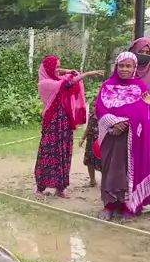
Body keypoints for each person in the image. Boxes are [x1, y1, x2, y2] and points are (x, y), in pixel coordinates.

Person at [35, 55, 103, 197]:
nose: (59, 70)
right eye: (56, 67)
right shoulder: (46, 83)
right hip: (52, 123)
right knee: (49, 153)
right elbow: (69, 82)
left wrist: (65, 70)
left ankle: (60, 187)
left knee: (63, 152)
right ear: (49, 69)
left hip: (64, 122)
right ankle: (42, 186)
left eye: (59, 66)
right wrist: (87, 74)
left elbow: (69, 76)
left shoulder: (56, 79)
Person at [96, 51, 150, 221]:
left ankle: (128, 206)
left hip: (132, 138)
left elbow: (143, 110)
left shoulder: (141, 87)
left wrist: (126, 122)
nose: (124, 69)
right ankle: (109, 206)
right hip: (111, 135)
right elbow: (100, 108)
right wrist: (114, 122)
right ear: (116, 66)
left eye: (128, 66)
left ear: (135, 68)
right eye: (121, 65)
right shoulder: (106, 86)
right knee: (110, 171)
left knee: (128, 171)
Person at [79, 98, 101, 187]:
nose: (94, 108)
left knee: (102, 161)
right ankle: (92, 180)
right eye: (93, 106)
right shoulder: (91, 116)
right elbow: (88, 127)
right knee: (89, 160)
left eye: (96, 106)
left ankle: (105, 182)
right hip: (90, 140)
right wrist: (82, 138)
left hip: (100, 141)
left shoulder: (104, 116)